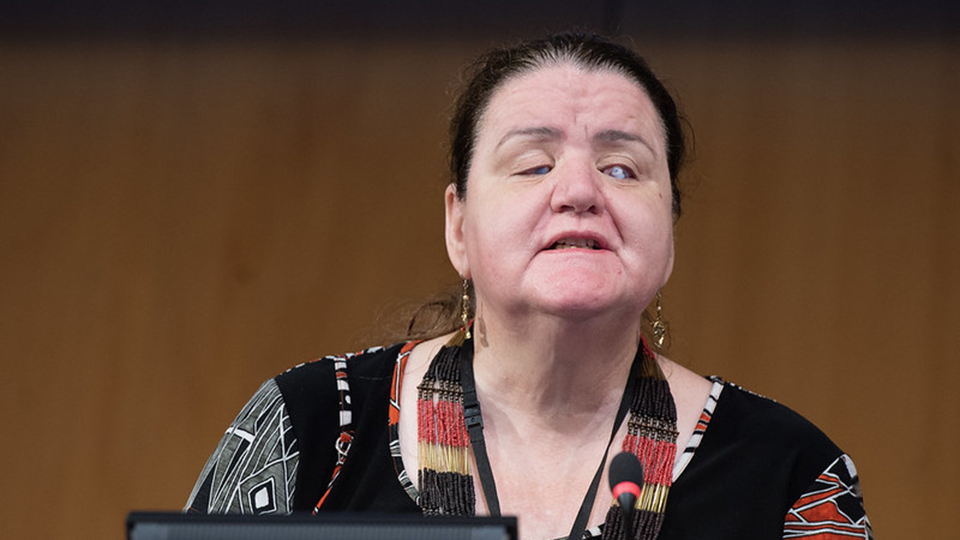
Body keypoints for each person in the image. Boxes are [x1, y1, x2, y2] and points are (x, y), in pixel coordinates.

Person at [185, 33, 872, 540]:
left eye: (624, 169)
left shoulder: (789, 475)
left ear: (669, 229)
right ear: (459, 226)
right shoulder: (306, 428)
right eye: (532, 164)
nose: (579, 191)